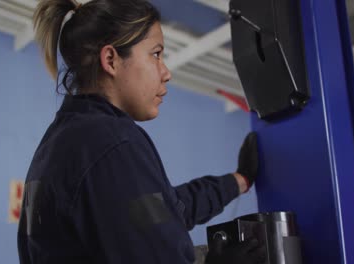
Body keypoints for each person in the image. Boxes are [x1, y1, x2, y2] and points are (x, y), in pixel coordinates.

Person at [17, 0, 264, 263]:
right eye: (156, 54)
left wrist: (239, 180)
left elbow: (164, 210)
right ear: (111, 60)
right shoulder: (112, 143)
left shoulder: (62, 141)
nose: (166, 72)